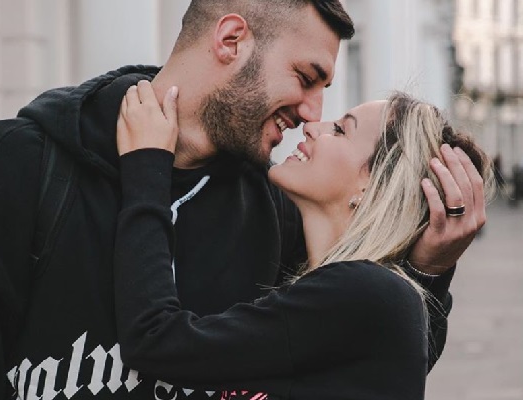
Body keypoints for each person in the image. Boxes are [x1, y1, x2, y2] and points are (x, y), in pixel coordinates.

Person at [0, 1, 486, 399]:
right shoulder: (22, 164)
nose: (313, 113)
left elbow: (358, 368)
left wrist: (428, 272)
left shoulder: (279, 215)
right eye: (306, 77)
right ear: (231, 39)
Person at [113, 86, 493, 400]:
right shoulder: (350, 292)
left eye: (341, 130)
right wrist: (427, 272)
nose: (314, 126)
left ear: (372, 186)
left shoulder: (364, 292)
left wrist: (146, 170)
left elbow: (155, 340)